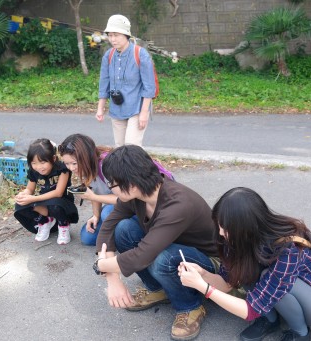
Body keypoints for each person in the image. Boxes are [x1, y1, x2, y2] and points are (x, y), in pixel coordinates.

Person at [179, 187, 311, 341]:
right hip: (278, 292)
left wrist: (203, 287)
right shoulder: (236, 240)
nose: (221, 233)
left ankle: (300, 333)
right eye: (219, 226)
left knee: (268, 276)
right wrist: (203, 275)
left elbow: (250, 310)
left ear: (245, 227)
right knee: (245, 267)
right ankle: (269, 319)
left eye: (225, 228)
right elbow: (227, 284)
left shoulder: (288, 248)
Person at [92, 145, 219, 341]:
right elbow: (108, 226)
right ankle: (159, 289)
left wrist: (101, 265)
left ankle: (190, 306)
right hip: (174, 247)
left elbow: (143, 255)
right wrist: (112, 279)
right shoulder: (138, 194)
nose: (111, 188)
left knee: (163, 258)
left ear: (131, 183)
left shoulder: (178, 204)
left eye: (112, 183)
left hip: (209, 262)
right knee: (124, 229)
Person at [96, 14, 157, 147]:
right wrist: (100, 108)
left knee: (131, 147)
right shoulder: (109, 55)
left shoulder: (140, 54)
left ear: (126, 35)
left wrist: (144, 113)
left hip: (137, 107)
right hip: (117, 108)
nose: (113, 39)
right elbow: (104, 83)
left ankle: (140, 168)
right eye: (110, 35)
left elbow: (149, 87)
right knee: (120, 148)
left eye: (116, 35)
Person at [58, 134, 121, 246]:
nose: (71, 168)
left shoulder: (107, 165)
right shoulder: (86, 167)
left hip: (134, 206)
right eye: (67, 164)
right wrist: (95, 215)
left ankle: (125, 239)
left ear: (85, 157)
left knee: (107, 213)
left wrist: (93, 197)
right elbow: (94, 191)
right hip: (115, 207)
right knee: (87, 238)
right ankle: (116, 235)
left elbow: (124, 198)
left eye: (74, 163)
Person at [14, 138, 78, 244]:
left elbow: (58, 193)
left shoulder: (62, 169)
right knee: (20, 205)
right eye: (34, 163)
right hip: (45, 201)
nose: (39, 167)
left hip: (63, 203)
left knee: (55, 205)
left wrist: (33, 198)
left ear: (53, 158)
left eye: (43, 162)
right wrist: (24, 194)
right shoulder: (34, 171)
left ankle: (63, 224)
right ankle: (44, 221)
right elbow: (30, 188)